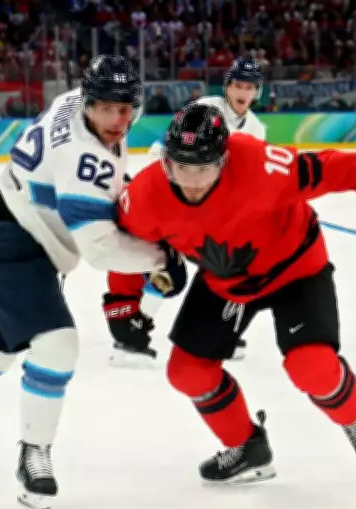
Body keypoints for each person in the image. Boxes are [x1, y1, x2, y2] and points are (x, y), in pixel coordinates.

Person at [103, 103, 356, 484]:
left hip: (296, 267)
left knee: (312, 367)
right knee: (187, 372)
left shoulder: (261, 165)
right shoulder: (144, 197)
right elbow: (127, 248)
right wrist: (122, 304)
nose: (192, 180)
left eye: (204, 168)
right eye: (182, 167)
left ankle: (354, 419)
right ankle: (248, 449)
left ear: (224, 160)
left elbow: (342, 168)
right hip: (227, 281)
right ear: (166, 161)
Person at [0, 55, 170, 509]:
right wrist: (160, 258)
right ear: (89, 105)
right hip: (14, 243)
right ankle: (34, 454)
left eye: (126, 109)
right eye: (108, 109)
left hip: (9, 226)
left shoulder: (73, 102)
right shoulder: (84, 157)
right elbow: (100, 249)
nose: (119, 120)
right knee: (59, 345)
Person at [108, 57, 267, 367]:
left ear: (257, 92)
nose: (243, 92)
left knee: (230, 265)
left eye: (249, 87)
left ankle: (217, 331)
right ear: (227, 87)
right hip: (178, 199)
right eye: (238, 85)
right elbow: (166, 145)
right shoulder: (206, 108)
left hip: (213, 209)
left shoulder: (256, 129)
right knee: (168, 267)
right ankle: (131, 332)